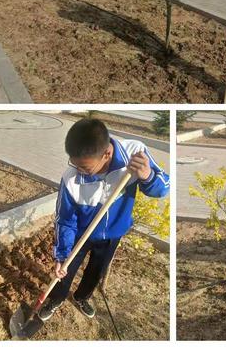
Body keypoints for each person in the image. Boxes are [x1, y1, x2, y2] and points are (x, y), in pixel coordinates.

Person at [38, 118, 169, 320]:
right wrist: (61, 255)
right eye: (74, 164)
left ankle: (82, 297)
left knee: (95, 271)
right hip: (81, 234)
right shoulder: (71, 178)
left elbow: (162, 189)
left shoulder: (134, 155)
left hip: (112, 235)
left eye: (84, 167)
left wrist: (147, 175)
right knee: (65, 270)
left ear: (106, 154)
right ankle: (55, 299)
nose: (78, 170)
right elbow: (65, 220)